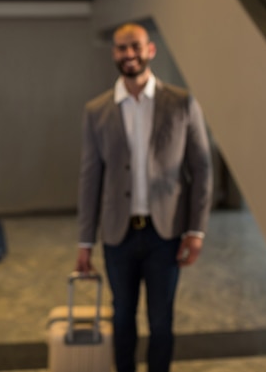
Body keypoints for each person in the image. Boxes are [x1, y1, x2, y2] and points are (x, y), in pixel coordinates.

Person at [75, 23, 213, 372]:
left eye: (135, 46)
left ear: (150, 49)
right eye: (122, 48)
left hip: (165, 234)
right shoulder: (97, 110)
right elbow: (90, 178)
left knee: (162, 320)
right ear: (114, 54)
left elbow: (202, 169)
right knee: (122, 317)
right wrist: (85, 240)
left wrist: (196, 232)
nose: (129, 54)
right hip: (118, 235)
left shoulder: (181, 102)